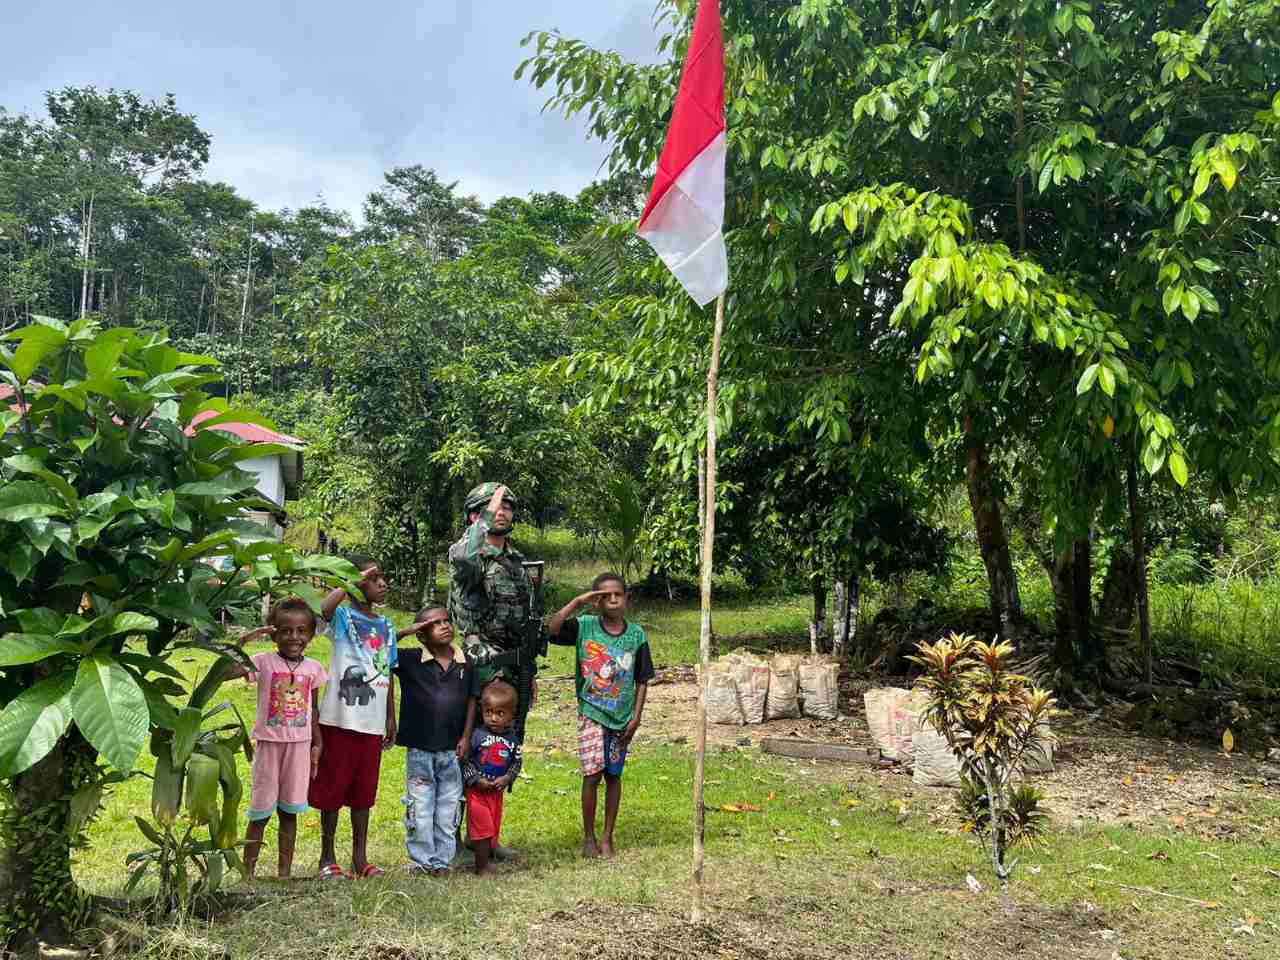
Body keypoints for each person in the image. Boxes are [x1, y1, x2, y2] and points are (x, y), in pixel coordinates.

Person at [309, 555, 432, 879]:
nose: (382, 583)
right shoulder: (341, 617)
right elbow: (319, 611)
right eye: (373, 578)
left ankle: (360, 858)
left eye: (382, 577)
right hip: (339, 719)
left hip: (372, 722)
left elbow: (387, 672)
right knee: (332, 790)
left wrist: (390, 717)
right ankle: (327, 857)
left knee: (364, 793)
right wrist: (348, 580)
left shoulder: (386, 626)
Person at [547, 572, 654, 859]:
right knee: (592, 775)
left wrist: (636, 717)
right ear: (596, 602)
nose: (613, 599)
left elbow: (643, 678)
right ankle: (589, 837)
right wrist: (577, 601)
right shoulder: (585, 626)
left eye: (618, 594)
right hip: (591, 713)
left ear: (627, 598)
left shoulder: (636, 635)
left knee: (613, 776)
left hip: (622, 718)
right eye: (605, 596)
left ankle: (608, 836)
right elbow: (551, 629)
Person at [227, 597, 328, 880]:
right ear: (274, 633)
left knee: (289, 813)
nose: (294, 637)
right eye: (285, 630)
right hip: (269, 747)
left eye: (300, 631)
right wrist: (244, 641)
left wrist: (318, 744)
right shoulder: (262, 663)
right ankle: (248, 874)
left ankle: (284, 874)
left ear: (310, 634)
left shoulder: (315, 669)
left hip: (299, 748)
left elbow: (314, 708)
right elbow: (225, 672)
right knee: (260, 812)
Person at [392, 604, 477, 876]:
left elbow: (472, 700)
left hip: (452, 749)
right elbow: (377, 650)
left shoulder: (465, 662)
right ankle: (421, 860)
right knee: (420, 804)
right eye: (434, 623)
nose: (444, 625)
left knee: (449, 805)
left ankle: (442, 861)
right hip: (420, 748)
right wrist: (406, 631)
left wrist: (466, 736)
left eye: (446, 620)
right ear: (421, 635)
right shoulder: (410, 659)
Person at [460, 680, 523, 876]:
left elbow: (516, 762)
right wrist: (476, 780)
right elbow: (466, 762)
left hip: (496, 793)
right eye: (489, 712)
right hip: (477, 791)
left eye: (500, 713)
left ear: (511, 716)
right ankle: (481, 867)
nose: (493, 718)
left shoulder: (513, 740)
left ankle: (486, 860)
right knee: (482, 829)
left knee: (492, 829)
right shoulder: (477, 735)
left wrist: (507, 778)